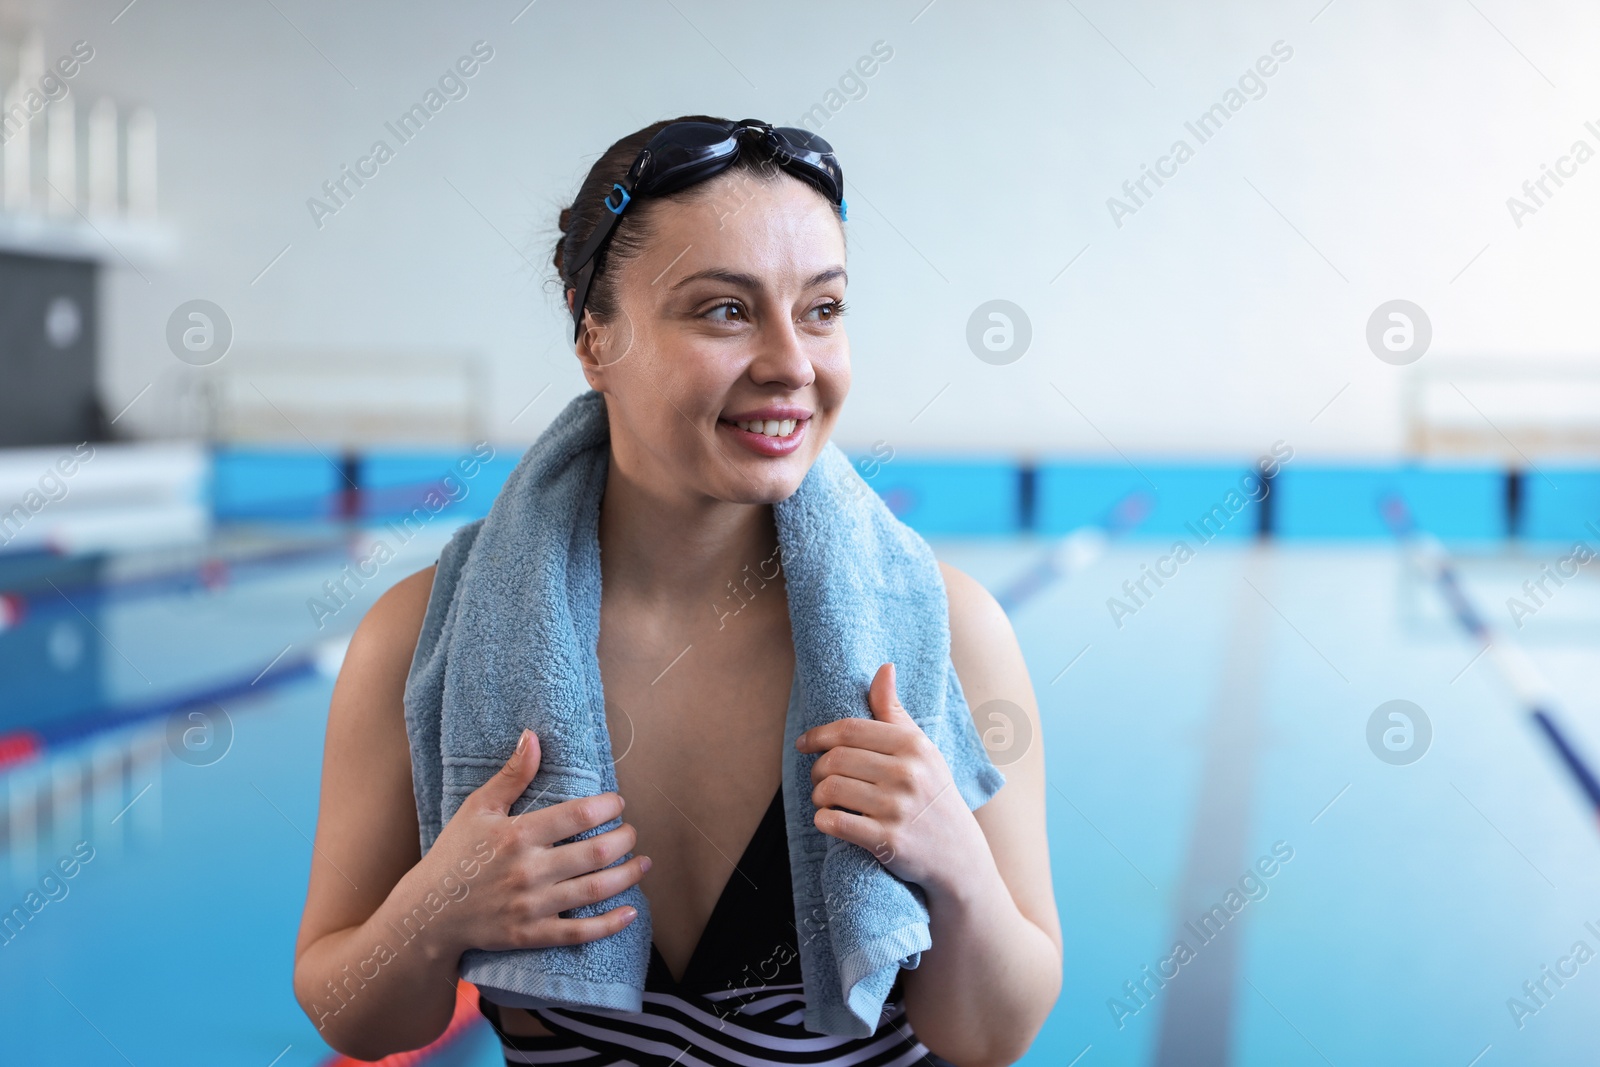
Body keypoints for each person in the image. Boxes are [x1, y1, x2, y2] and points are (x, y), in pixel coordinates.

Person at [292, 115, 1062, 1067]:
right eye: (725, 311)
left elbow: (994, 1035)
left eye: (822, 309)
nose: (791, 363)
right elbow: (356, 1016)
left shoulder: (949, 637)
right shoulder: (420, 641)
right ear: (594, 340)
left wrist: (957, 866)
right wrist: (437, 910)